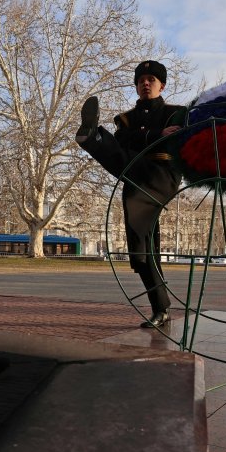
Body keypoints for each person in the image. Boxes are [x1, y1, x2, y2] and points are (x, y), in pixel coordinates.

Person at [76, 60, 187, 328]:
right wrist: (155, 134)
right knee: (141, 246)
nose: (145, 83)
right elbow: (124, 140)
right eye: (141, 80)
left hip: (161, 174)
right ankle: (160, 308)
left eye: (151, 79)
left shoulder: (178, 112)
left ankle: (93, 139)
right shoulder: (125, 118)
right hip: (134, 174)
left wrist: (142, 137)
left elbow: (170, 140)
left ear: (162, 85)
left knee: (115, 149)